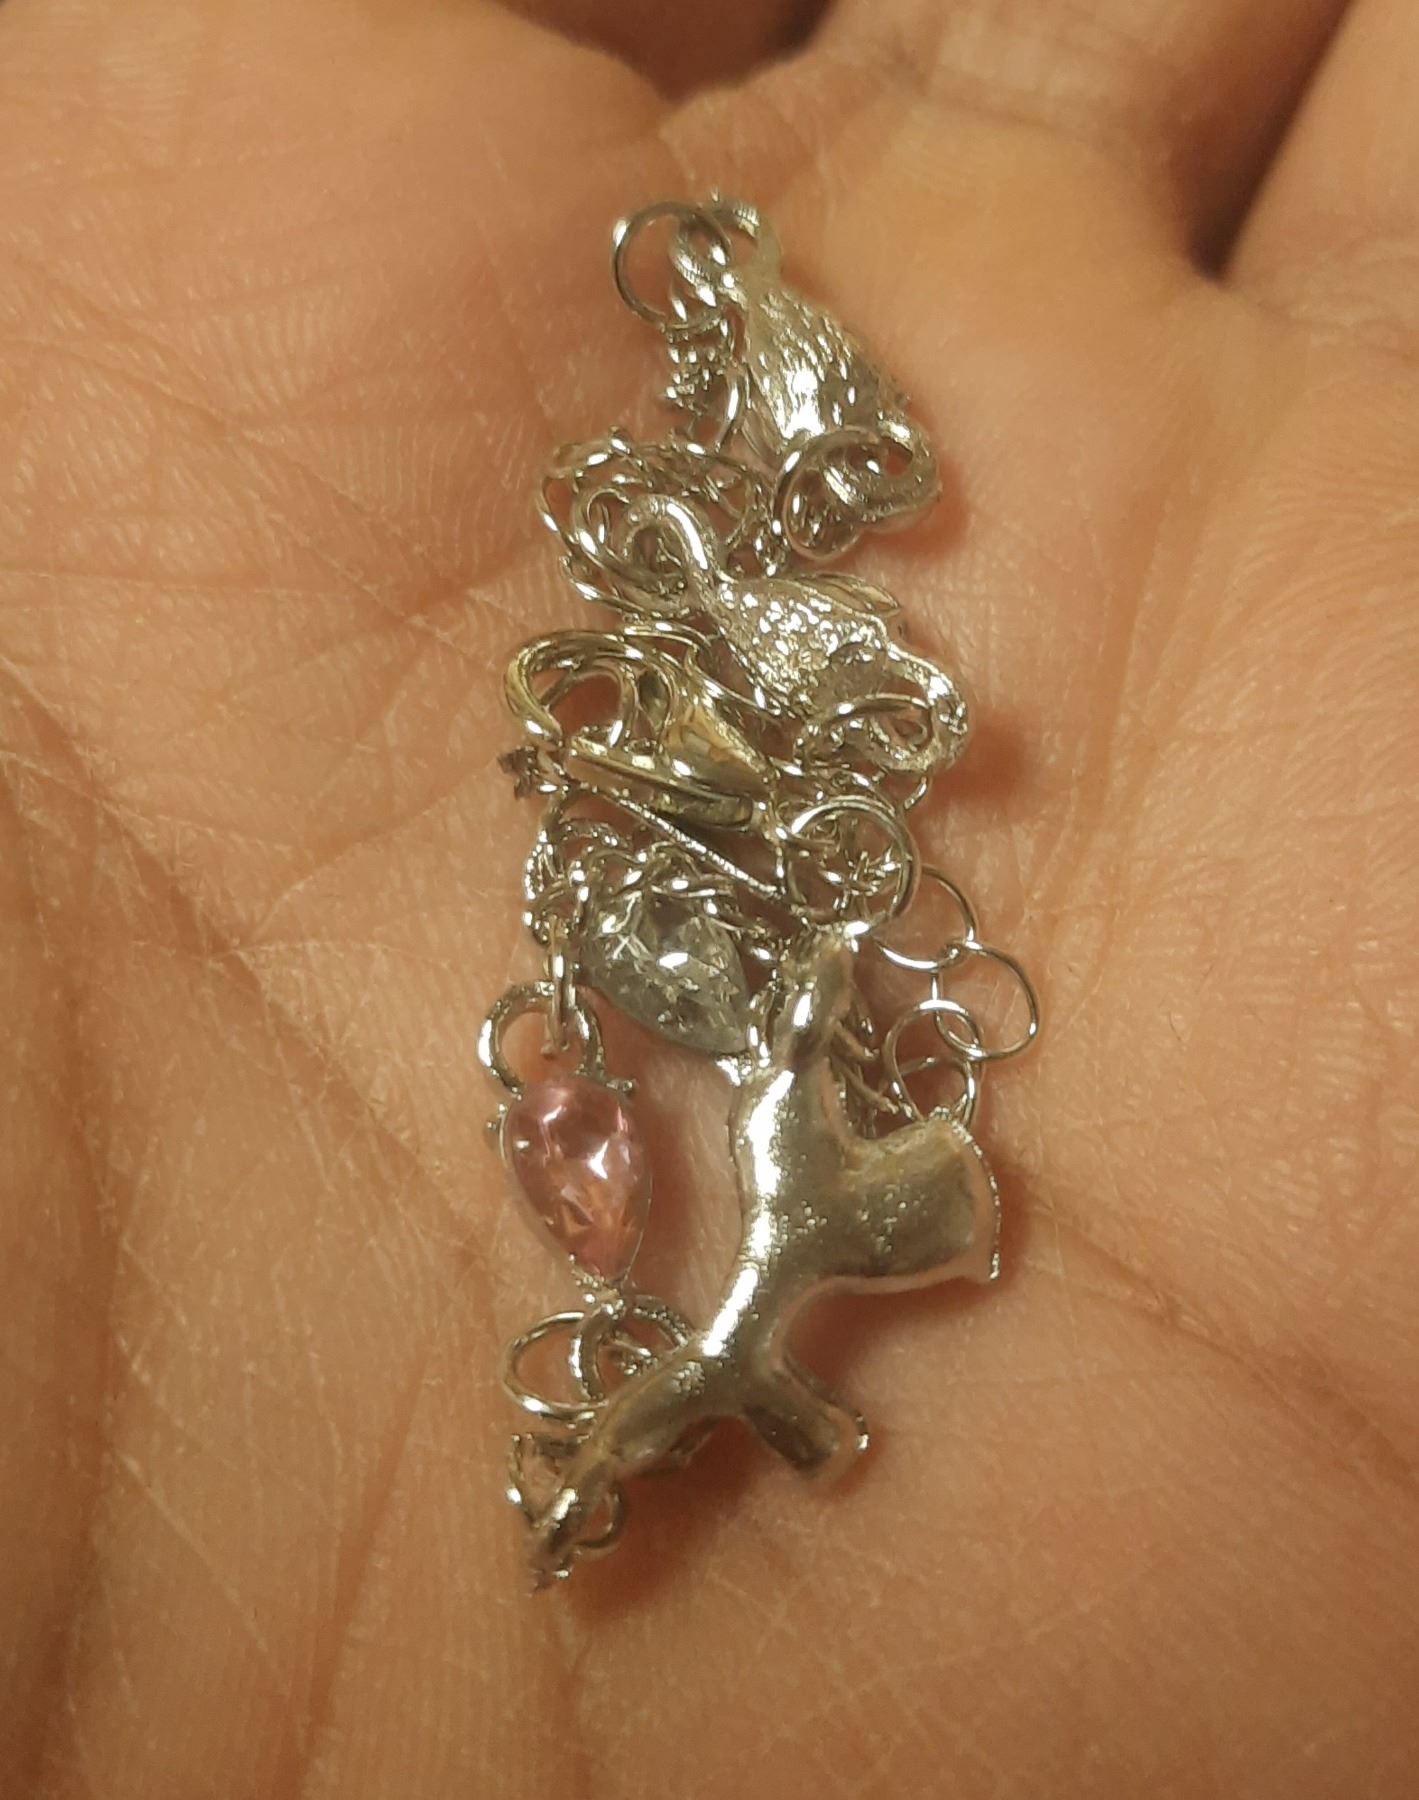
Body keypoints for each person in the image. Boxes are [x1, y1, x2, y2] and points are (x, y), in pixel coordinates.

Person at [1, 1, 1415, 1795]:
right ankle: (686, 1408)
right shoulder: (703, 797)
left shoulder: (764, 760)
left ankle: (673, 1414)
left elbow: (867, 745)